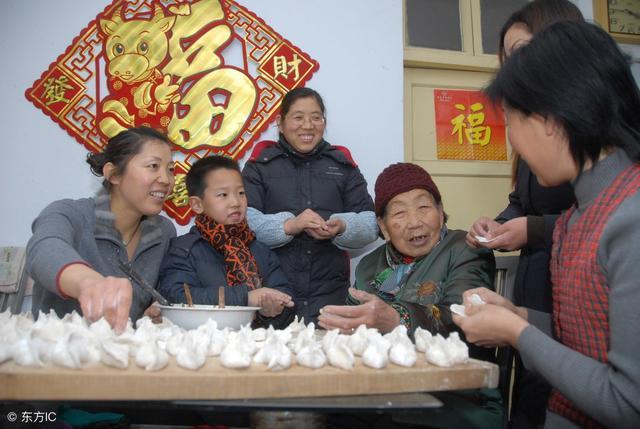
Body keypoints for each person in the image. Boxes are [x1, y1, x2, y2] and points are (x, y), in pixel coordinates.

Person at [454, 21, 640, 428]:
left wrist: (518, 334)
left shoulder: (630, 217)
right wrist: (519, 316)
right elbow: (590, 339)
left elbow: (628, 403)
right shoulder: (579, 214)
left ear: (550, 120)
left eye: (512, 123)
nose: (513, 144)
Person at [466, 2, 582, 427]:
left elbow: (596, 216)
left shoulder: (586, 127)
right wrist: (499, 222)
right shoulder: (535, 124)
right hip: (537, 284)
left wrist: (531, 229)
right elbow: (524, 198)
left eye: (522, 51)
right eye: (508, 56)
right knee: (531, 389)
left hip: (570, 285)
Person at [319, 163, 500, 429]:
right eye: (400, 212)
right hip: (381, 394)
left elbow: (463, 316)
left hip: (454, 395)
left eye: (424, 207)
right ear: (383, 225)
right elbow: (351, 325)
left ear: (440, 211)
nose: (415, 221)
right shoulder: (370, 265)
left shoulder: (465, 249)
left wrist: (396, 319)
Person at [242, 87, 378, 324]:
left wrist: (342, 227)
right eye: (298, 117)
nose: (308, 125)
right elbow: (243, 223)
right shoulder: (259, 166)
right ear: (280, 123)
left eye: (316, 117)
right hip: (273, 295)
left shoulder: (343, 165)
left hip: (330, 297)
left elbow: (370, 223)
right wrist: (290, 225)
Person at [27, 126, 177, 332]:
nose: (166, 180)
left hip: (125, 357)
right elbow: (44, 250)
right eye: (153, 166)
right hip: (56, 356)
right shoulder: (70, 213)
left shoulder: (163, 231)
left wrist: (155, 313)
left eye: (170, 169)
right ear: (113, 174)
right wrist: (88, 282)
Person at [157, 156, 294, 328]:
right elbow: (176, 296)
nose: (236, 202)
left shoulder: (261, 250)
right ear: (197, 204)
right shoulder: (183, 249)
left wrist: (272, 312)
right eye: (223, 195)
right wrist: (246, 298)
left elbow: (287, 301)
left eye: (241, 193)